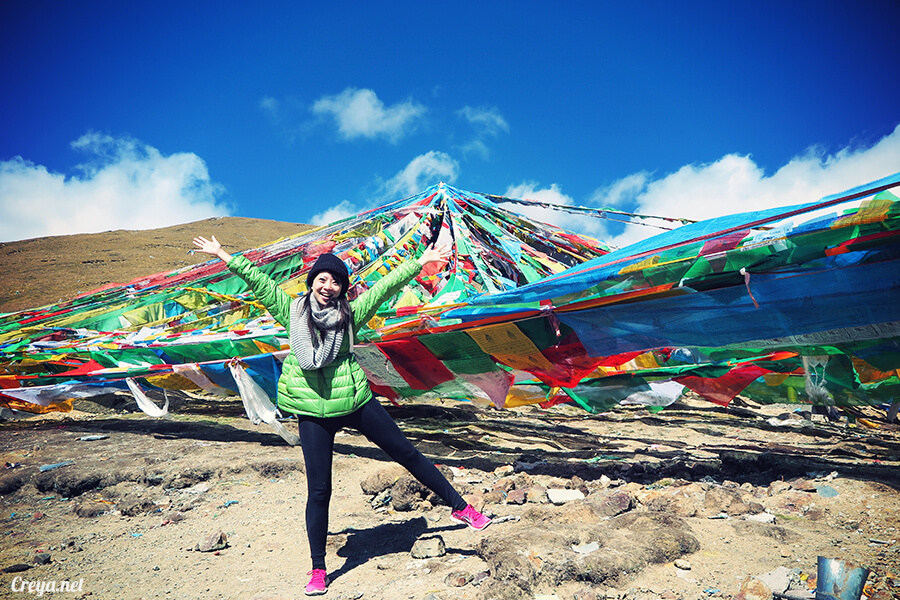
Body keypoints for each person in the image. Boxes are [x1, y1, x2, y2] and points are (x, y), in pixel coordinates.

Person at [192, 235, 491, 596]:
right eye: (322, 279)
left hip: (354, 401)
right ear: (312, 282)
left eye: (335, 281)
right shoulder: (291, 311)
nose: (328, 286)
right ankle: (318, 569)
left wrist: (419, 262)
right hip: (312, 411)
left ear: (342, 288)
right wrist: (224, 253)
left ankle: (462, 508)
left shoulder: (351, 315)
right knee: (319, 489)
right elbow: (259, 282)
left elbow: (384, 286)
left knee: (406, 453)